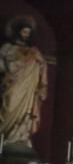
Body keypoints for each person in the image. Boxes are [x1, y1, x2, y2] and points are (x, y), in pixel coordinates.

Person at [0, 15, 50, 151]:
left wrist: (38, 63)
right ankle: (5, 136)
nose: (26, 35)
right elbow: (2, 66)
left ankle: (20, 137)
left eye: (28, 32)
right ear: (18, 32)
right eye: (24, 32)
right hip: (13, 85)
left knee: (26, 114)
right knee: (9, 106)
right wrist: (14, 64)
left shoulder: (34, 52)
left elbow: (42, 67)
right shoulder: (7, 48)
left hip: (28, 88)